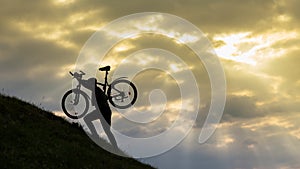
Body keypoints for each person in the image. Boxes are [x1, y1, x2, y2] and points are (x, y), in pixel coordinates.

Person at [80, 77, 118, 150]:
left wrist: (80, 80)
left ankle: (115, 147)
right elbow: (86, 85)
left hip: (104, 111)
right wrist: (80, 80)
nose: (89, 84)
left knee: (107, 131)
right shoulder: (95, 89)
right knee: (87, 119)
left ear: (92, 84)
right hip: (101, 111)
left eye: (90, 83)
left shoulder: (97, 90)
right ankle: (96, 136)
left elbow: (86, 85)